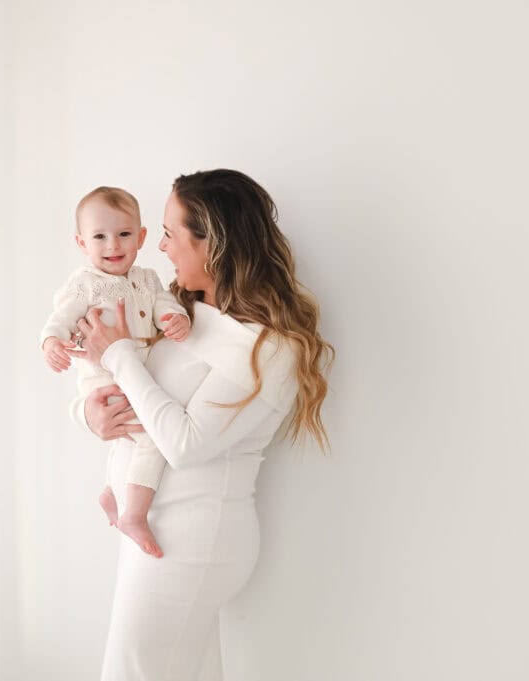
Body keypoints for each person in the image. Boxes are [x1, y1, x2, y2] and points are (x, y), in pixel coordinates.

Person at [71, 169, 335, 681]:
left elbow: (186, 444)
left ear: (211, 243)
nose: (161, 247)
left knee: (130, 672)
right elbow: (119, 386)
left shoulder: (268, 346)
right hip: (160, 530)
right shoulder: (179, 316)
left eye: (170, 233)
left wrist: (122, 354)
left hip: (193, 538)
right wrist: (90, 415)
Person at [40, 186, 192, 558]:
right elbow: (58, 320)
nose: (113, 245)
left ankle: (111, 493)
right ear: (81, 243)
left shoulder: (148, 279)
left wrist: (177, 319)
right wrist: (52, 344)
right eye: (99, 237)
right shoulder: (84, 284)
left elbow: (164, 306)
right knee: (150, 438)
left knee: (127, 435)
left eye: (124, 234)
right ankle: (135, 514)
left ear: (141, 237)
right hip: (104, 376)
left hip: (134, 371)